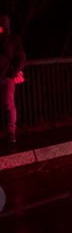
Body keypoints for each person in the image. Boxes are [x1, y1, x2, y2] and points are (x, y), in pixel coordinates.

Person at [0, 15, 26, 143]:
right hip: (4, 75)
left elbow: (21, 58)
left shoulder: (13, 40)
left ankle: (11, 132)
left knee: (8, 103)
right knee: (8, 103)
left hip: (7, 76)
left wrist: (13, 73)